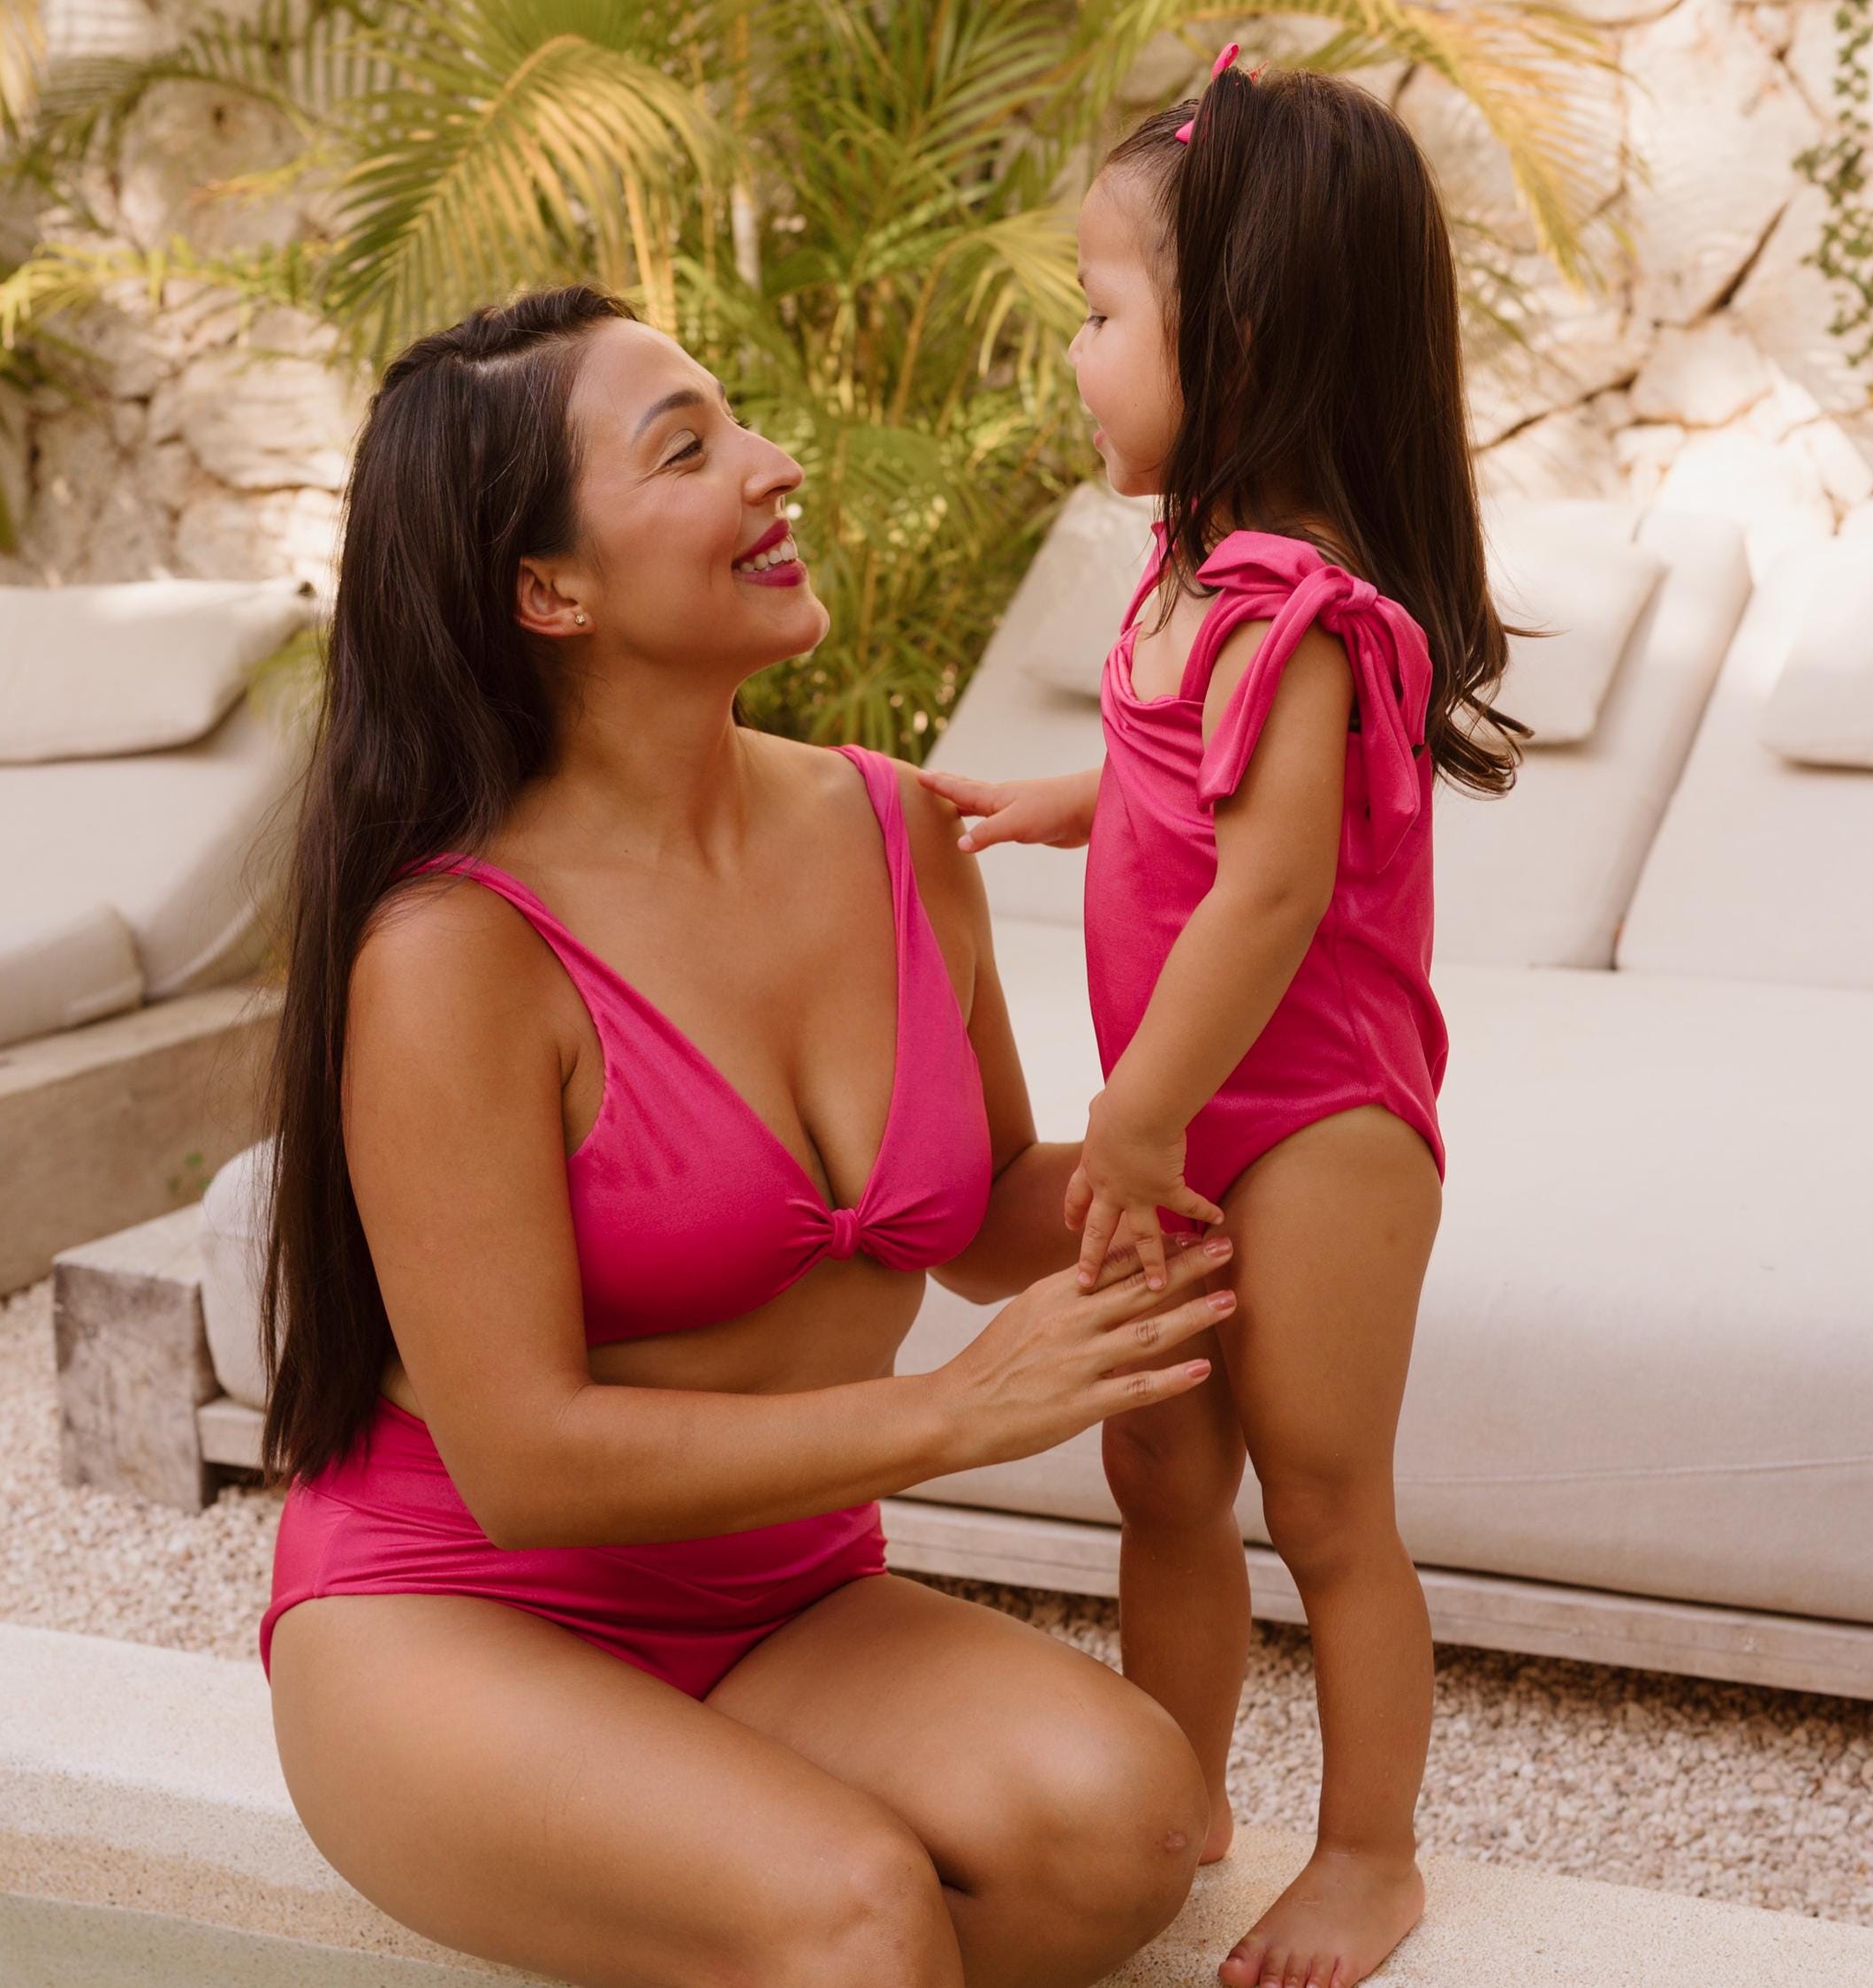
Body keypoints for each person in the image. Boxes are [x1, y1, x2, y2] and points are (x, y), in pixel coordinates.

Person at [253, 282, 1245, 1988]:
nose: (776, 468)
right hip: (464, 1605)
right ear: (546, 588)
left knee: (1124, 1824)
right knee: (850, 1904)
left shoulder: (893, 827)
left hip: (781, 1602)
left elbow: (990, 1208)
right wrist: (948, 1411)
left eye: (743, 423)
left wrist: (1235, 1138)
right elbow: (528, 1458)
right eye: (690, 450)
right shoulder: (457, 954)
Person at [921, 56, 1524, 1988]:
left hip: (1312, 1121)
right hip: (1175, 1114)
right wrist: (1061, 803)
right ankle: (1172, 1803)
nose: (1078, 360)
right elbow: (1191, 791)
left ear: (1240, 337)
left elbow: (1270, 893)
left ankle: (1371, 1855)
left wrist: (1144, 1119)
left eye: (1104, 318)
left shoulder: (1309, 611)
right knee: (1161, 1479)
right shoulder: (1189, 590)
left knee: (1329, 1500)